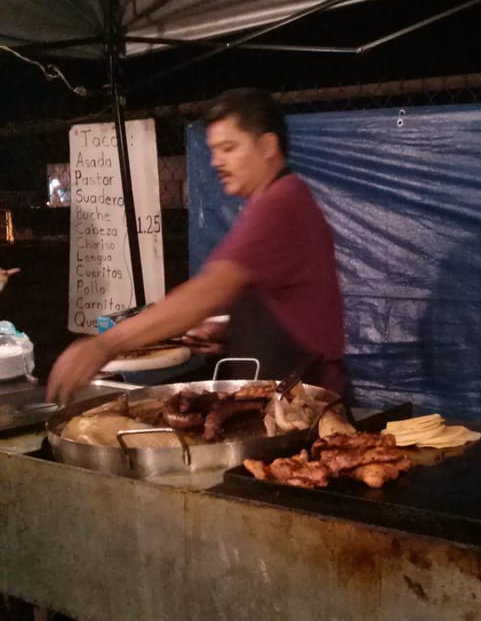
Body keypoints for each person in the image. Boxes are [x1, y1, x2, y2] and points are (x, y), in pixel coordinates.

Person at [47, 88, 347, 402]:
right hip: (286, 393)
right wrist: (232, 331)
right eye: (214, 150)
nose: (217, 162)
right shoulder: (285, 196)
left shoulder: (279, 203)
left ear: (268, 146)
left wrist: (104, 345)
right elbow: (289, 302)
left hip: (305, 405)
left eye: (229, 148)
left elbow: (208, 290)